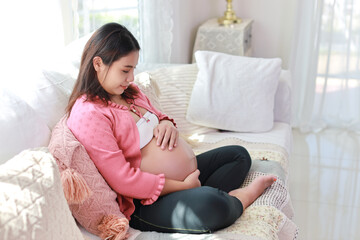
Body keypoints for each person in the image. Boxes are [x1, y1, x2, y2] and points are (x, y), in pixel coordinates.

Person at [66, 22, 276, 234]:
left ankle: (200, 193)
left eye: (133, 69)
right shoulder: (89, 113)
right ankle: (240, 197)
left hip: (185, 179)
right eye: (125, 70)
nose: (130, 78)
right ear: (98, 64)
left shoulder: (130, 92)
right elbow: (123, 180)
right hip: (147, 201)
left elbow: (157, 116)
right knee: (213, 205)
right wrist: (183, 186)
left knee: (238, 155)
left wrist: (166, 123)